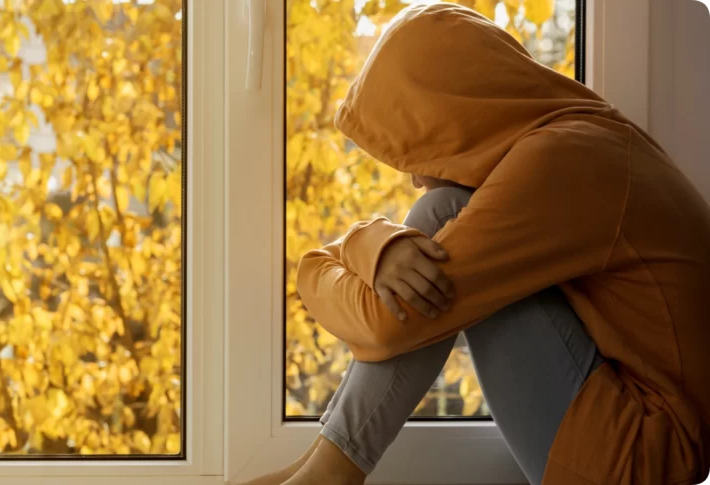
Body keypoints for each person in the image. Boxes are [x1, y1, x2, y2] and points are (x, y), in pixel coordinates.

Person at [242, 3, 710, 485]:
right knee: (433, 224)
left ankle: (328, 475)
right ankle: (319, 468)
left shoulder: (559, 163)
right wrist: (370, 246)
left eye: (418, 148)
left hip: (656, 459)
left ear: (454, 118)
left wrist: (332, 256)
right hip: (651, 439)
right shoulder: (587, 137)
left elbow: (385, 326)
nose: (415, 178)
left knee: (441, 213)